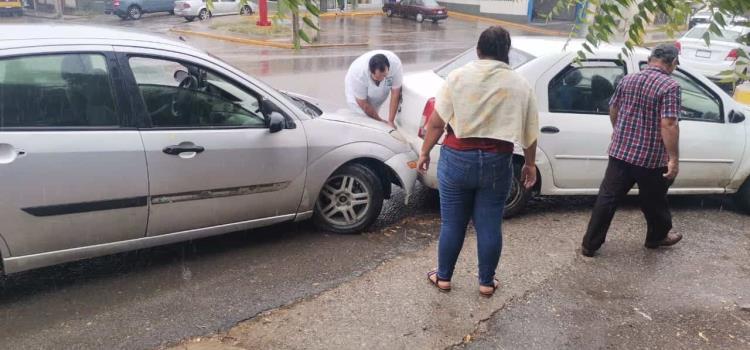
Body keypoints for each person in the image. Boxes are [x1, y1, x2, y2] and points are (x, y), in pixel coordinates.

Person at [417, 26, 539, 297]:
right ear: (506, 53)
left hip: (457, 157)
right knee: (489, 224)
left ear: (478, 50)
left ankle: (444, 277)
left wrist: (424, 152)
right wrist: (529, 164)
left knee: (452, 223)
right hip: (498, 161)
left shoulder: (458, 77)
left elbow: (436, 124)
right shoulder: (520, 84)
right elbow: (530, 133)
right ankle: (486, 282)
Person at [580, 43, 683, 257]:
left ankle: (590, 244)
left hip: (620, 152)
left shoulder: (628, 79)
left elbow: (613, 108)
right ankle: (656, 237)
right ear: (672, 63)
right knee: (654, 200)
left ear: (651, 58)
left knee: (607, 198)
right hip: (650, 158)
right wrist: (673, 158)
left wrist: (618, 131)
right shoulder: (670, 86)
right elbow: (669, 124)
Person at [344, 50, 403, 128]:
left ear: (388, 68)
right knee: (364, 119)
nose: (381, 79)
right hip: (358, 96)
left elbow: (395, 93)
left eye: (384, 76)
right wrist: (380, 121)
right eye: (378, 77)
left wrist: (390, 121)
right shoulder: (359, 74)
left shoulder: (396, 65)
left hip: (382, 81)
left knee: (375, 111)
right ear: (370, 71)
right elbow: (364, 104)